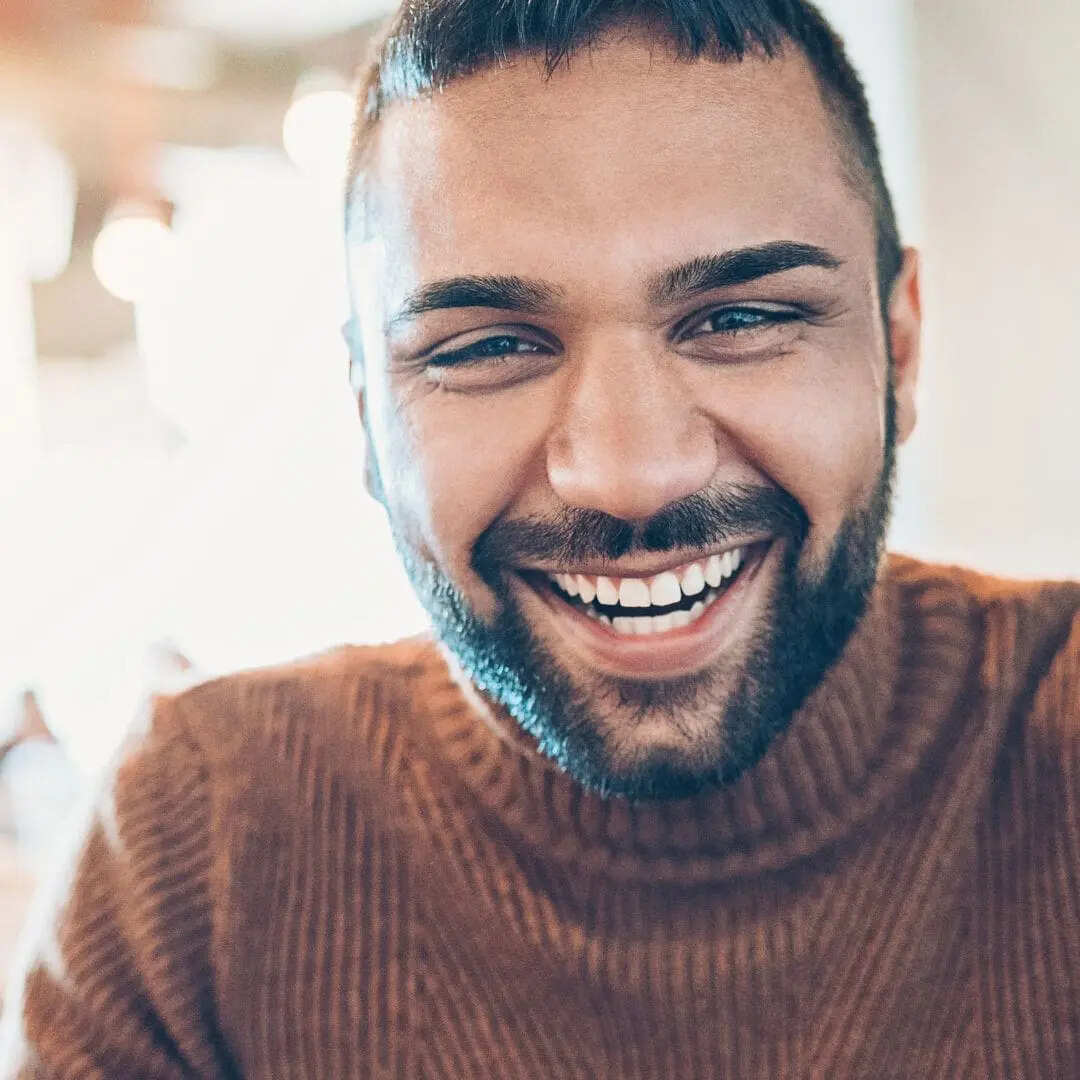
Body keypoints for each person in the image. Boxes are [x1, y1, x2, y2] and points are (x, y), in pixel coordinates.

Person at [5, 0, 1079, 1076]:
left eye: (741, 319)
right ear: (368, 416)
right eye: (488, 347)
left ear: (899, 348)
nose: (630, 473)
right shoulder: (205, 842)